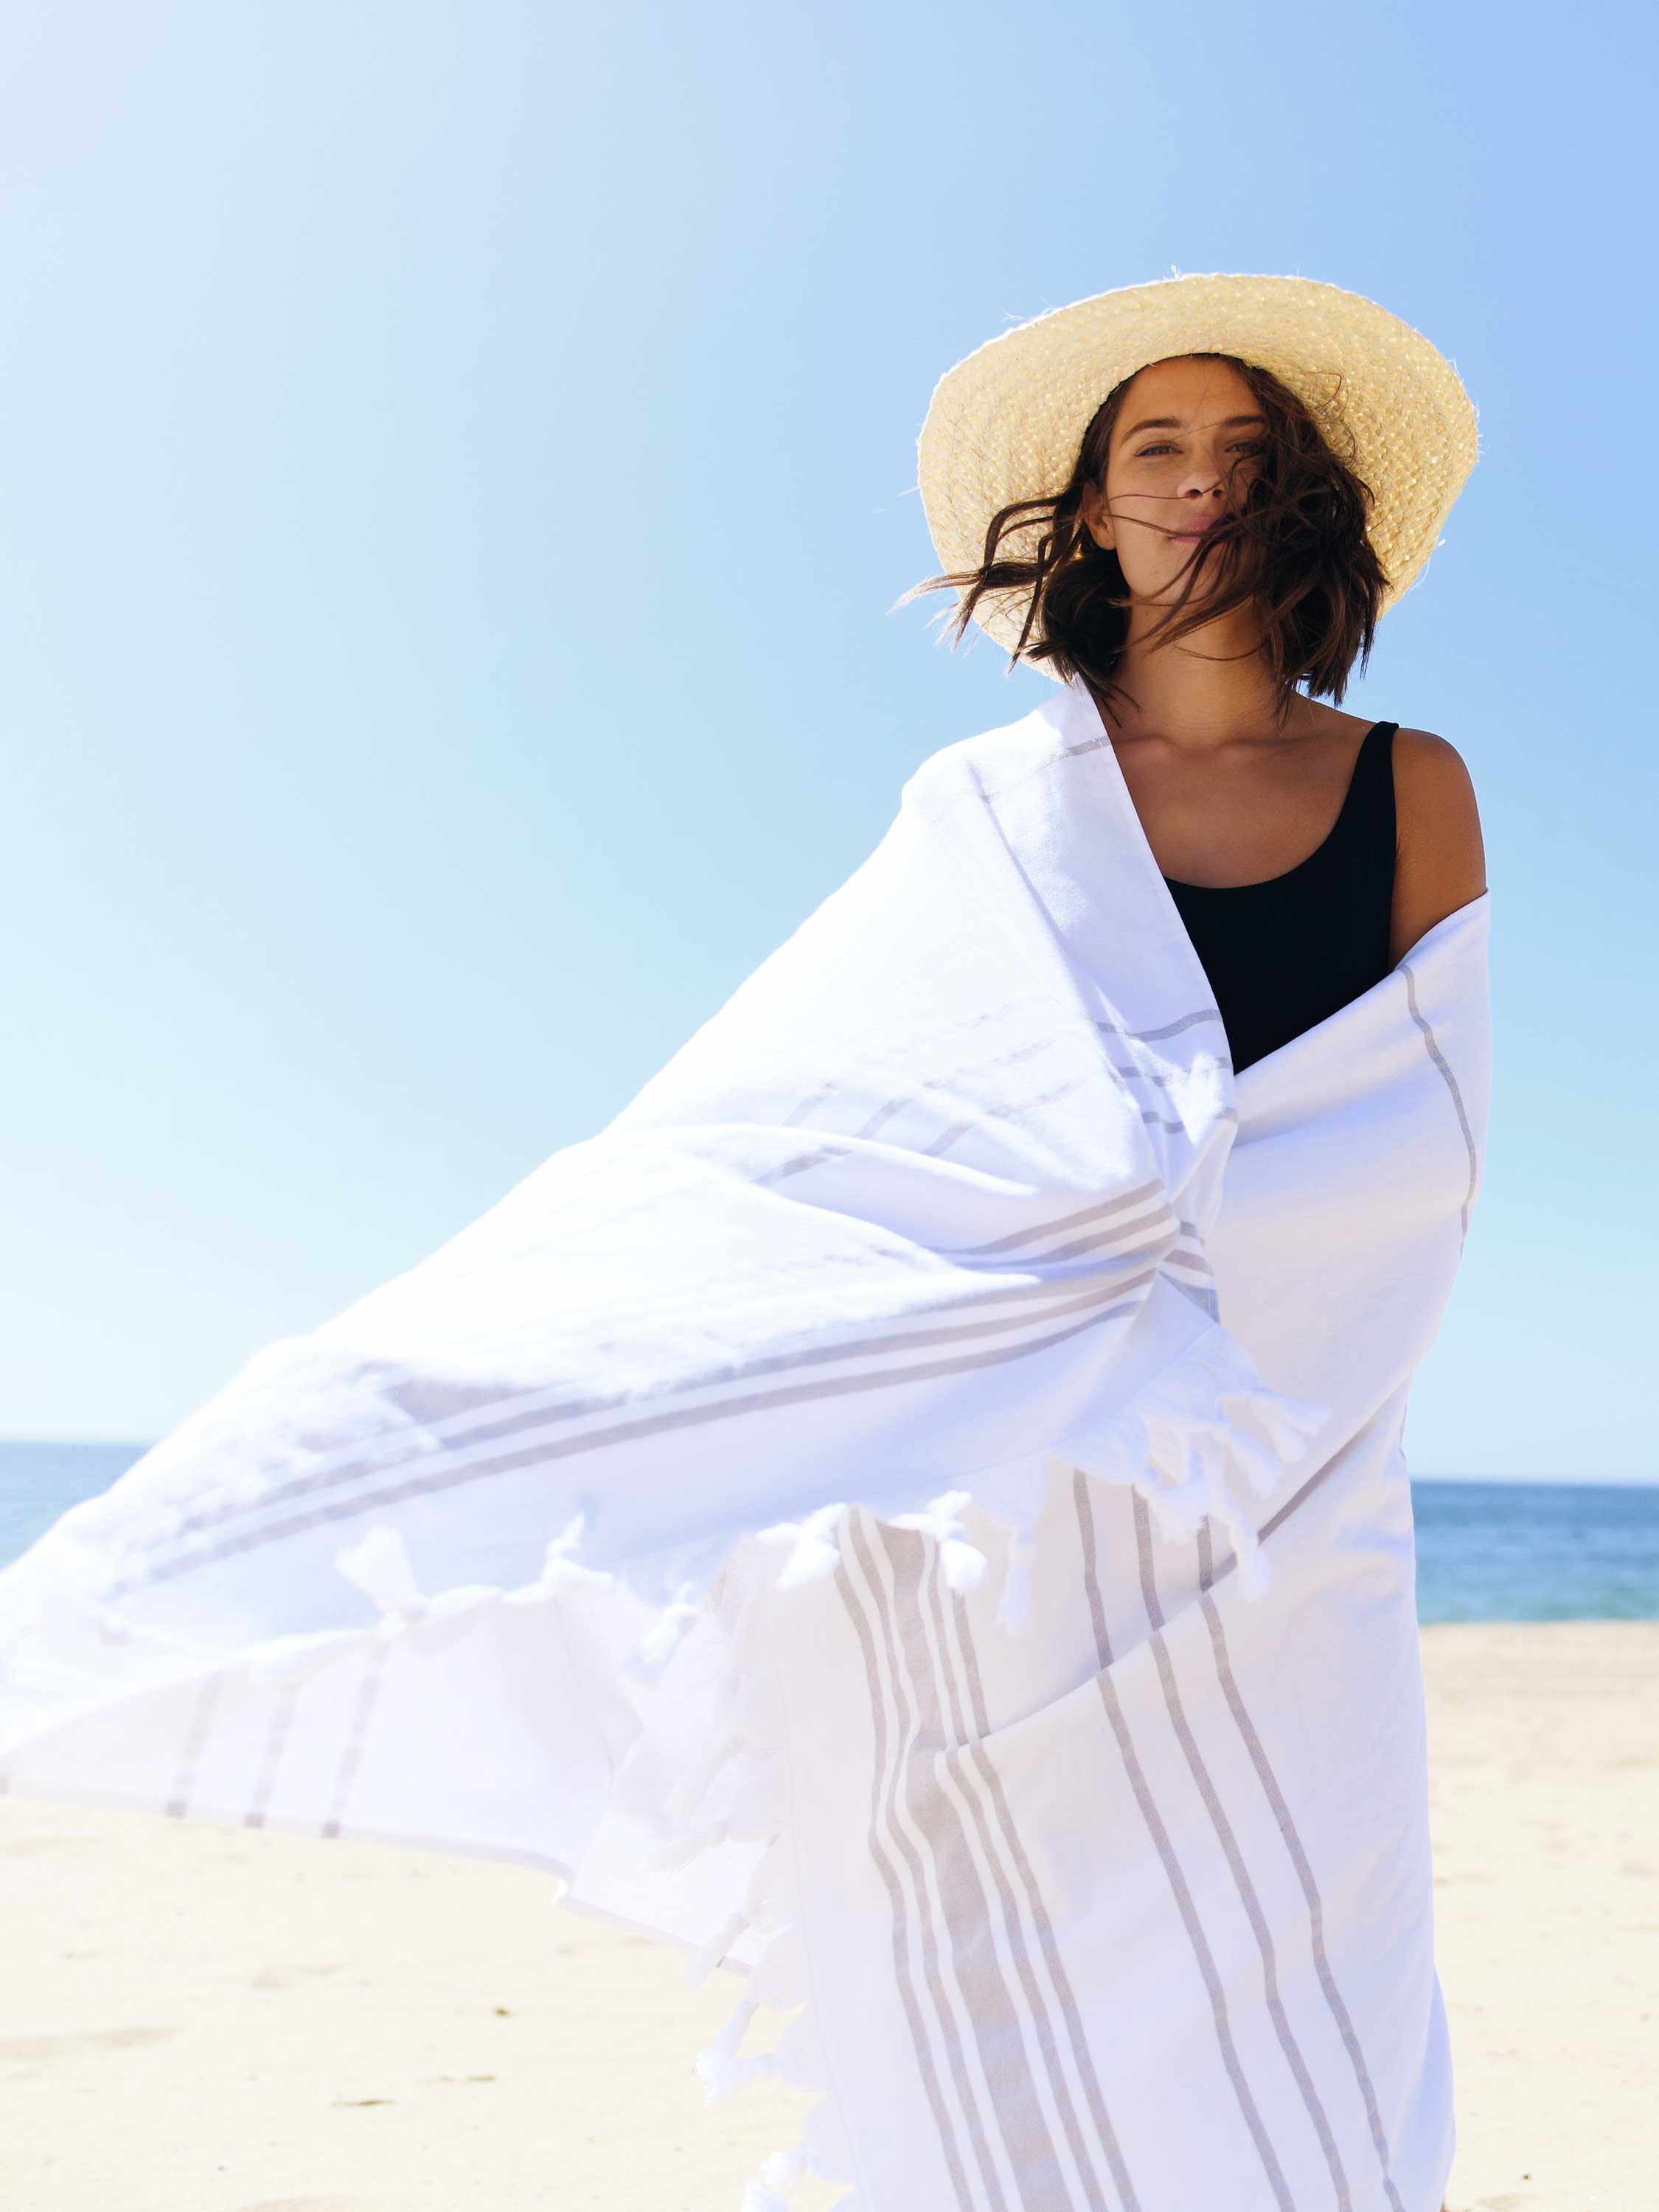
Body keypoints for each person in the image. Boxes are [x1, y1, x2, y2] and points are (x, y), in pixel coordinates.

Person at [0, 274, 1489, 2212]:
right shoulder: (990, 811)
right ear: (1089, 504)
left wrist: (1217, 1316)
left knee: (1321, 1937)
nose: (1196, 481)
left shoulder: (1404, 786)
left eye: (1239, 447)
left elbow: (1415, 1139)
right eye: (1152, 445)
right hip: (1008, 1481)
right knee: (993, 1936)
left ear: (1299, 499)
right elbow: (806, 1140)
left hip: (1296, 1471)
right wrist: (1075, 1276)